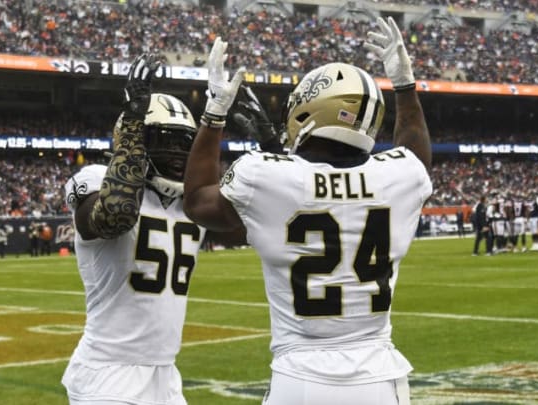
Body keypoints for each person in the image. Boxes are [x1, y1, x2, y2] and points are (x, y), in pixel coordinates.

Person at [183, 17, 432, 405]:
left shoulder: (265, 174)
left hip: (299, 377)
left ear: (309, 110)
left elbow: (198, 199)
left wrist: (214, 113)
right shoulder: (399, 175)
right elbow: (415, 151)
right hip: (380, 378)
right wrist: (405, 86)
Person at [61, 54, 205, 405]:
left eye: (184, 143)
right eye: (165, 139)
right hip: (109, 373)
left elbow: (262, 226)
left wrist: (271, 149)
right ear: (137, 136)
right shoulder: (96, 178)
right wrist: (132, 123)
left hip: (166, 374)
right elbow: (116, 215)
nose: (176, 153)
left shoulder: (194, 202)